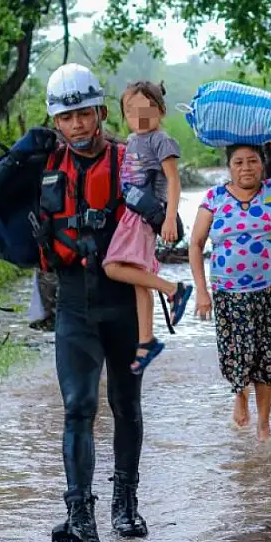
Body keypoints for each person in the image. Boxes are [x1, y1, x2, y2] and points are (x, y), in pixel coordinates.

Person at [32, 63, 148, 542]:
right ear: (56, 122)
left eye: (84, 114)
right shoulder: (41, 168)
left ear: (101, 112)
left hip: (122, 302)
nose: (77, 125)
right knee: (78, 405)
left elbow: (170, 229)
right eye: (66, 118)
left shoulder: (130, 160)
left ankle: (125, 501)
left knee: (125, 403)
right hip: (74, 303)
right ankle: (81, 512)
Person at [189, 93, 271, 443]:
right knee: (236, 356)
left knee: (268, 357)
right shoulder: (214, 198)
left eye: (253, 162)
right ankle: (239, 395)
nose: (246, 168)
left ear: (263, 164)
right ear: (229, 167)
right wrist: (202, 291)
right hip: (229, 292)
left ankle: (264, 423)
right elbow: (196, 245)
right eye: (239, 162)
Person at [103, 81, 193, 374]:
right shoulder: (132, 140)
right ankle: (146, 341)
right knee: (140, 281)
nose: (139, 117)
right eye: (131, 111)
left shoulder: (160, 140)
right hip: (131, 213)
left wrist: (169, 217)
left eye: (147, 110)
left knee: (113, 267)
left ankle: (173, 289)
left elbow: (173, 181)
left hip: (144, 216)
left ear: (161, 110)